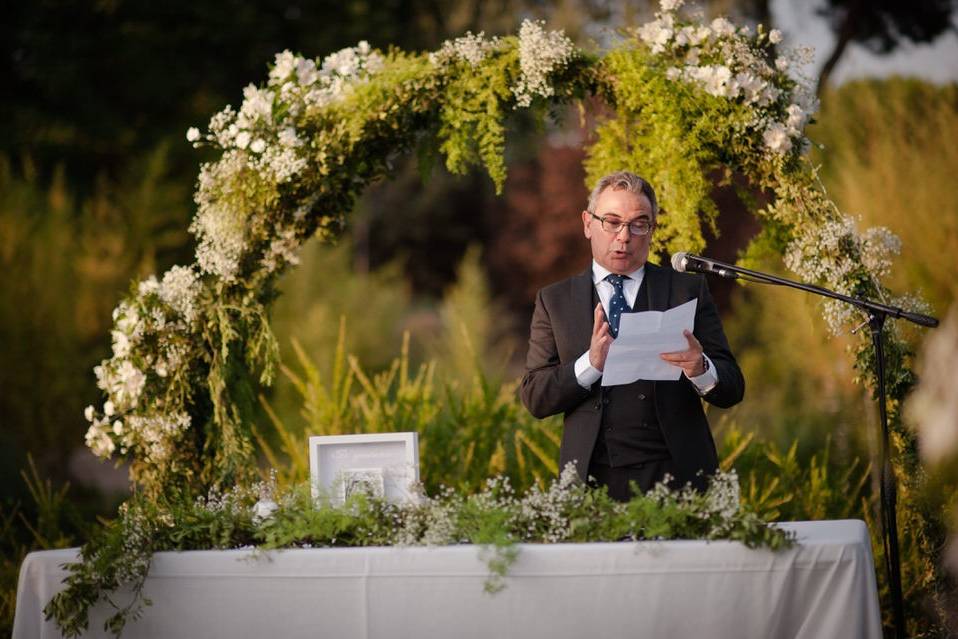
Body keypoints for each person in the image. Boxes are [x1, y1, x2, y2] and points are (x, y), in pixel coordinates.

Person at [519, 171, 744, 501]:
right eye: (612, 222)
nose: (624, 236)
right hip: (591, 481)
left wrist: (701, 368)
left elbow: (732, 388)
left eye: (639, 224)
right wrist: (590, 365)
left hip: (677, 476)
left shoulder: (687, 290)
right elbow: (535, 397)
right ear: (587, 223)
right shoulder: (554, 301)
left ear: (652, 230)